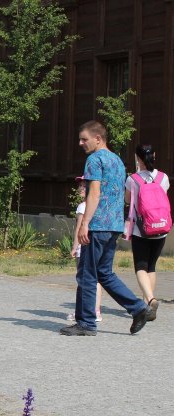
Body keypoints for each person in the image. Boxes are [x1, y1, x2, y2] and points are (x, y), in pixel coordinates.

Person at [60, 121, 151, 336]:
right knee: (104, 273)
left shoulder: (94, 159)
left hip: (97, 225)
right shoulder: (117, 160)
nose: (80, 143)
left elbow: (94, 193)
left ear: (98, 138)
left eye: (84, 139)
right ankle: (138, 308)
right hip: (114, 225)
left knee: (87, 275)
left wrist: (85, 223)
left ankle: (86, 323)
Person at [124, 143, 170, 322]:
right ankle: (147, 305)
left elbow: (128, 201)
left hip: (141, 230)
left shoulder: (133, 179)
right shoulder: (163, 177)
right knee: (151, 266)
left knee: (140, 267)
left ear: (137, 158)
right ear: (154, 155)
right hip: (161, 229)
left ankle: (150, 300)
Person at [68, 177, 103, 322]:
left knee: (83, 280)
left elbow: (79, 229)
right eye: (80, 186)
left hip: (83, 246)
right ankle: (96, 311)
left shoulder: (83, 206)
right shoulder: (98, 204)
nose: (80, 188)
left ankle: (83, 311)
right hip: (96, 245)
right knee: (96, 279)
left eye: (84, 185)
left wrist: (74, 247)